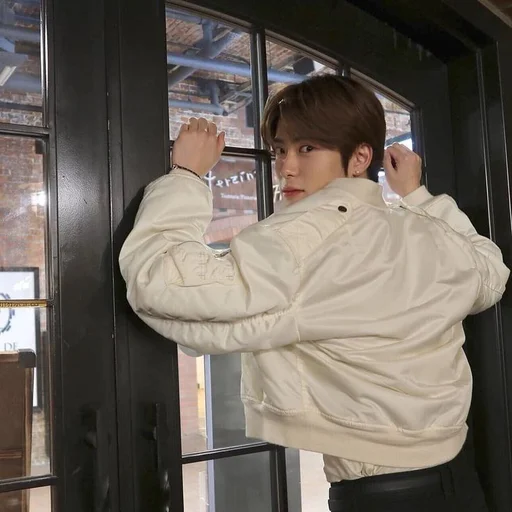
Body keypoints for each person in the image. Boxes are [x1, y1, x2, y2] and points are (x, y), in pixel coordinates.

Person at [119, 75, 509, 511]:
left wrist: (187, 175)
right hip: (459, 481)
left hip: (382, 497)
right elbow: (490, 273)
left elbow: (159, 284)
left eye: (307, 148)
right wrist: (417, 194)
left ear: (360, 157)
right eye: (280, 149)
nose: (286, 167)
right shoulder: (427, 232)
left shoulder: (304, 238)